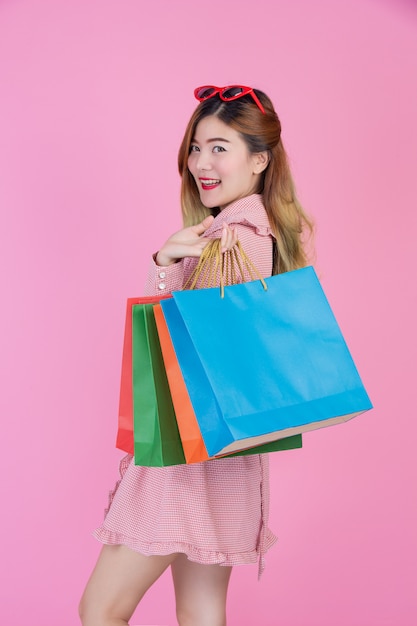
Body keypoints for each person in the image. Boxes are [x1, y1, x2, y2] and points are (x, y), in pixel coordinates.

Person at [79, 84, 313, 626]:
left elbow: (187, 348)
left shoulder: (232, 237)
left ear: (259, 160)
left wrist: (162, 263)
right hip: (234, 462)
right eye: (195, 147)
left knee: (100, 609)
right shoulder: (268, 231)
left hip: (187, 458)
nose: (201, 163)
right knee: (202, 612)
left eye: (220, 148)